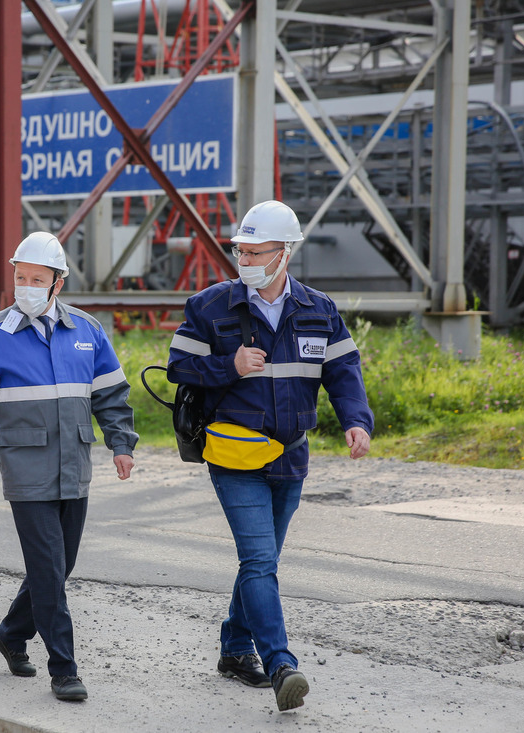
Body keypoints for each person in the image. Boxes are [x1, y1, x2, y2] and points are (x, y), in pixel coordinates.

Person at [167, 200, 373, 712]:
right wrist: (228, 365)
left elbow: (344, 372)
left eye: (257, 252)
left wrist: (356, 420)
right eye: (241, 250)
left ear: (285, 254)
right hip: (233, 456)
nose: (247, 260)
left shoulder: (318, 309)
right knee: (259, 560)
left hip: (291, 458)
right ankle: (281, 663)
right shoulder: (209, 306)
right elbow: (177, 369)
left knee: (262, 561)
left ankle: (235, 650)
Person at [0, 232, 137, 702]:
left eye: (36, 279)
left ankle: (11, 633)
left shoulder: (87, 331)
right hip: (26, 471)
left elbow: (110, 394)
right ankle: (63, 668)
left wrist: (121, 443)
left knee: (58, 567)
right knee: (48, 570)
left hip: (75, 468)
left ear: (57, 283)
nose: (26, 285)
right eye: (20, 276)